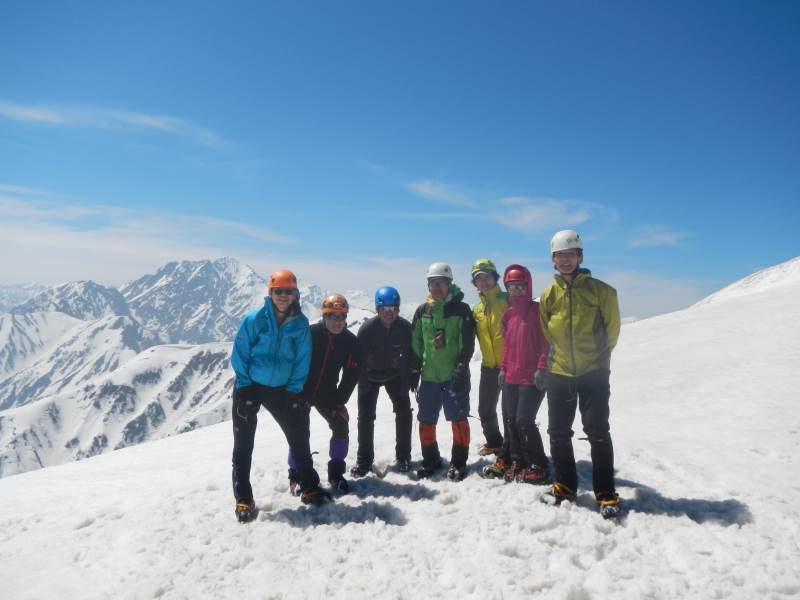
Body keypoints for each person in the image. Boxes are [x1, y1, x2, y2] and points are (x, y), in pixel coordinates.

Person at [230, 269, 328, 522]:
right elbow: (240, 352)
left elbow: (303, 359)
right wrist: (245, 386)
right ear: (270, 292)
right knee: (243, 445)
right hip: (250, 386)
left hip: (283, 389)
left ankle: (309, 486)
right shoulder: (255, 319)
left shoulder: (300, 323)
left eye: (288, 291)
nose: (283, 296)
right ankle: (243, 497)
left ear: (295, 294)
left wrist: (294, 391)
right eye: (278, 291)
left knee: (299, 438)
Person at [538, 230, 622, 518]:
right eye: (560, 256)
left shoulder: (602, 291)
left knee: (597, 431)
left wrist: (600, 362)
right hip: (559, 372)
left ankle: (606, 493)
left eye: (570, 255)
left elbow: (612, 331)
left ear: (580, 257)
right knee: (558, 432)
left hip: (593, 372)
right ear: (553, 260)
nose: (565, 260)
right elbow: (546, 332)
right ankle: (565, 485)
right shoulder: (548, 295)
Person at [481, 265, 550, 484]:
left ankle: (538, 463)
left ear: (528, 287)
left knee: (524, 421)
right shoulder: (509, 315)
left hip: (532, 378)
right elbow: (508, 347)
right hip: (511, 376)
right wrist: (503, 368)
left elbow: (546, 343)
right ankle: (517, 460)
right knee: (511, 421)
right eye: (511, 287)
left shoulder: (538, 311)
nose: (516, 291)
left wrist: (542, 368)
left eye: (520, 286)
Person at [411, 262, 476, 481]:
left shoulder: (461, 310)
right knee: (426, 421)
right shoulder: (422, 311)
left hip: (454, 376)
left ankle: (459, 462)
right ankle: (431, 459)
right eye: (433, 283)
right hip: (429, 376)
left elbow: (468, 343)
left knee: (458, 420)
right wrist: (415, 368)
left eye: (441, 283)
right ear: (428, 285)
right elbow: (416, 342)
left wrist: (461, 367)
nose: (437, 287)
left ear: (449, 284)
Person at [293, 293, 360, 494]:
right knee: (298, 432)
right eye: (332, 316)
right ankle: (296, 474)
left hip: (328, 394)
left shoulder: (350, 342)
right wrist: (293, 390)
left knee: (341, 425)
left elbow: (352, 372)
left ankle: (336, 473)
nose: (337, 321)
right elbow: (293, 360)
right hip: (302, 391)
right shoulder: (310, 334)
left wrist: (340, 398)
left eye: (342, 317)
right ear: (324, 316)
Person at [351, 286, 415, 477]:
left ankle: (403, 457)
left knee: (404, 413)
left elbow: (410, 356)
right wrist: (362, 383)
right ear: (377, 309)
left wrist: (409, 379)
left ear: (398, 309)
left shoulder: (405, 328)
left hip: (395, 374)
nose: (389, 313)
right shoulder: (367, 329)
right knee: (365, 418)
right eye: (385, 309)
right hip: (369, 375)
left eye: (393, 308)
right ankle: (364, 462)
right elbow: (359, 359)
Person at [470, 258, 508, 457]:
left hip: (510, 366)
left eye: (487, 277)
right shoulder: (477, 309)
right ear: (475, 283)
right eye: (479, 278)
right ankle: (494, 443)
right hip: (488, 366)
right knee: (485, 410)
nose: (483, 281)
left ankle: (512, 449)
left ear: (495, 277)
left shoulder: (508, 300)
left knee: (509, 412)